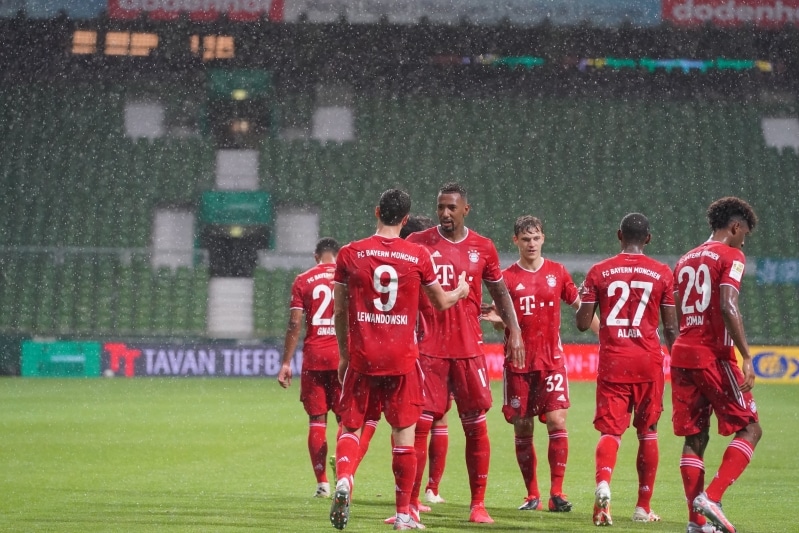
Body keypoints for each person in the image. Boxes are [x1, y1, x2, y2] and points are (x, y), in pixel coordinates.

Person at [329, 189, 470, 531]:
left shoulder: (350, 253)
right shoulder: (417, 256)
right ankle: (404, 514)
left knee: (352, 425)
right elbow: (439, 302)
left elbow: (340, 310)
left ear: (376, 211)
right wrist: (461, 291)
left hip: (364, 355)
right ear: (406, 219)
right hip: (402, 357)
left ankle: (345, 478)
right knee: (404, 433)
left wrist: (345, 354)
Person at [406, 182, 525, 524]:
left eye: (451, 208)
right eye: (441, 207)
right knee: (418, 428)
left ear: (465, 210)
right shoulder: (418, 243)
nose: (445, 213)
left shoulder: (483, 247)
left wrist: (514, 330)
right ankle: (411, 503)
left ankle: (478, 505)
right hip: (428, 351)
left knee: (475, 427)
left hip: (469, 350)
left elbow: (500, 292)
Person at [482, 215, 599, 513]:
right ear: (516, 242)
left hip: (552, 362)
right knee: (523, 427)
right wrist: (500, 322)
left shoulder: (557, 273)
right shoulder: (506, 279)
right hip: (518, 363)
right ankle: (531, 494)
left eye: (535, 238)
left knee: (558, 421)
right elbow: (500, 320)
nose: (531, 243)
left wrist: (607, 339)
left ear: (543, 238)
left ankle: (556, 492)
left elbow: (580, 309)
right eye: (525, 239)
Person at [576, 213, 679, 527]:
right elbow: (672, 328)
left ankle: (604, 484)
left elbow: (582, 324)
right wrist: (679, 363)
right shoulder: (662, 273)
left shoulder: (599, 271)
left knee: (611, 432)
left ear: (619, 234)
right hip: (648, 362)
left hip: (613, 361)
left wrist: (586, 296)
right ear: (648, 239)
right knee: (648, 432)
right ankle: (642, 507)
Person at [670, 197, 761, 533]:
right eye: (744, 234)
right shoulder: (731, 255)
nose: (743, 241)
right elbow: (727, 303)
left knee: (695, 436)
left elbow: (679, 311)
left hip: (682, 353)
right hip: (712, 354)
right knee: (751, 428)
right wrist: (746, 355)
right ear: (735, 227)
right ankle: (713, 498)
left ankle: (696, 525)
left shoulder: (685, 259)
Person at [278, 237, 342, 499]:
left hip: (314, 357)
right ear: (337, 256)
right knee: (346, 421)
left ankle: (322, 483)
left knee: (317, 421)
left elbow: (294, 324)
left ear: (316, 256)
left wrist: (285, 362)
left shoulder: (303, 280)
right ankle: (344, 476)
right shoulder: (347, 277)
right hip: (342, 358)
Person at [401, 215, 451, 507]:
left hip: (428, 352)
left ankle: (421, 492)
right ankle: (420, 493)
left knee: (423, 420)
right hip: (428, 352)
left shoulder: (414, 271)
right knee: (423, 422)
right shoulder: (421, 271)